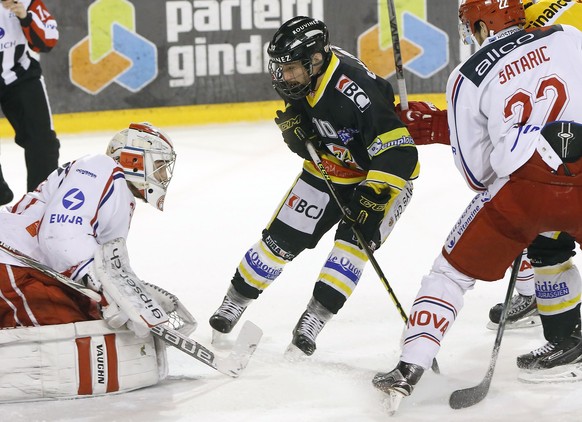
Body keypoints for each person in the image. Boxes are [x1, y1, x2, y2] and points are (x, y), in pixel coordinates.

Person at [373, 0, 582, 411]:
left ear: (482, 25)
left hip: (525, 190)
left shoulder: (465, 76)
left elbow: (478, 174)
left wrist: (438, 128)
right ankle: (565, 340)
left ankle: (410, 366)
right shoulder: (569, 37)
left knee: (449, 273)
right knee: (549, 242)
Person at [208, 16, 419, 356]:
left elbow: (401, 152)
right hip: (333, 166)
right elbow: (306, 111)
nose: (283, 76)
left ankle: (314, 319)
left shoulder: (355, 91)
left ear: (315, 61)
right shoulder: (309, 75)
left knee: (351, 248)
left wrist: (374, 195)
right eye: (280, 68)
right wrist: (299, 131)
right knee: (281, 239)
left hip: (382, 177)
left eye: (290, 68)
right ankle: (235, 301)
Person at [0, 122, 196, 402]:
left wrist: (130, 295)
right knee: (67, 342)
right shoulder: (101, 168)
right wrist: (107, 291)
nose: (163, 175)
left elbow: (104, 264)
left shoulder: (120, 197)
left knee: (95, 324)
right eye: (160, 165)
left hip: (30, 271)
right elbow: (60, 236)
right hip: (11, 263)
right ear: (134, 159)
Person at [0, 0, 60, 205]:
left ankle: (40, 205)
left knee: (42, 142)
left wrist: (25, 17)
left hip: (20, 74)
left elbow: (48, 41)